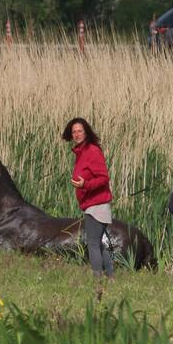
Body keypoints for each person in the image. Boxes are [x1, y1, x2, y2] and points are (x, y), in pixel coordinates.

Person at [63, 118, 114, 279]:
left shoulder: (91, 151)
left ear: (86, 132)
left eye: (80, 130)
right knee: (97, 242)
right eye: (74, 132)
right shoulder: (81, 152)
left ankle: (97, 279)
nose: (77, 134)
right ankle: (110, 277)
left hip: (97, 204)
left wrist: (86, 184)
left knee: (92, 243)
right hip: (91, 203)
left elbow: (104, 178)